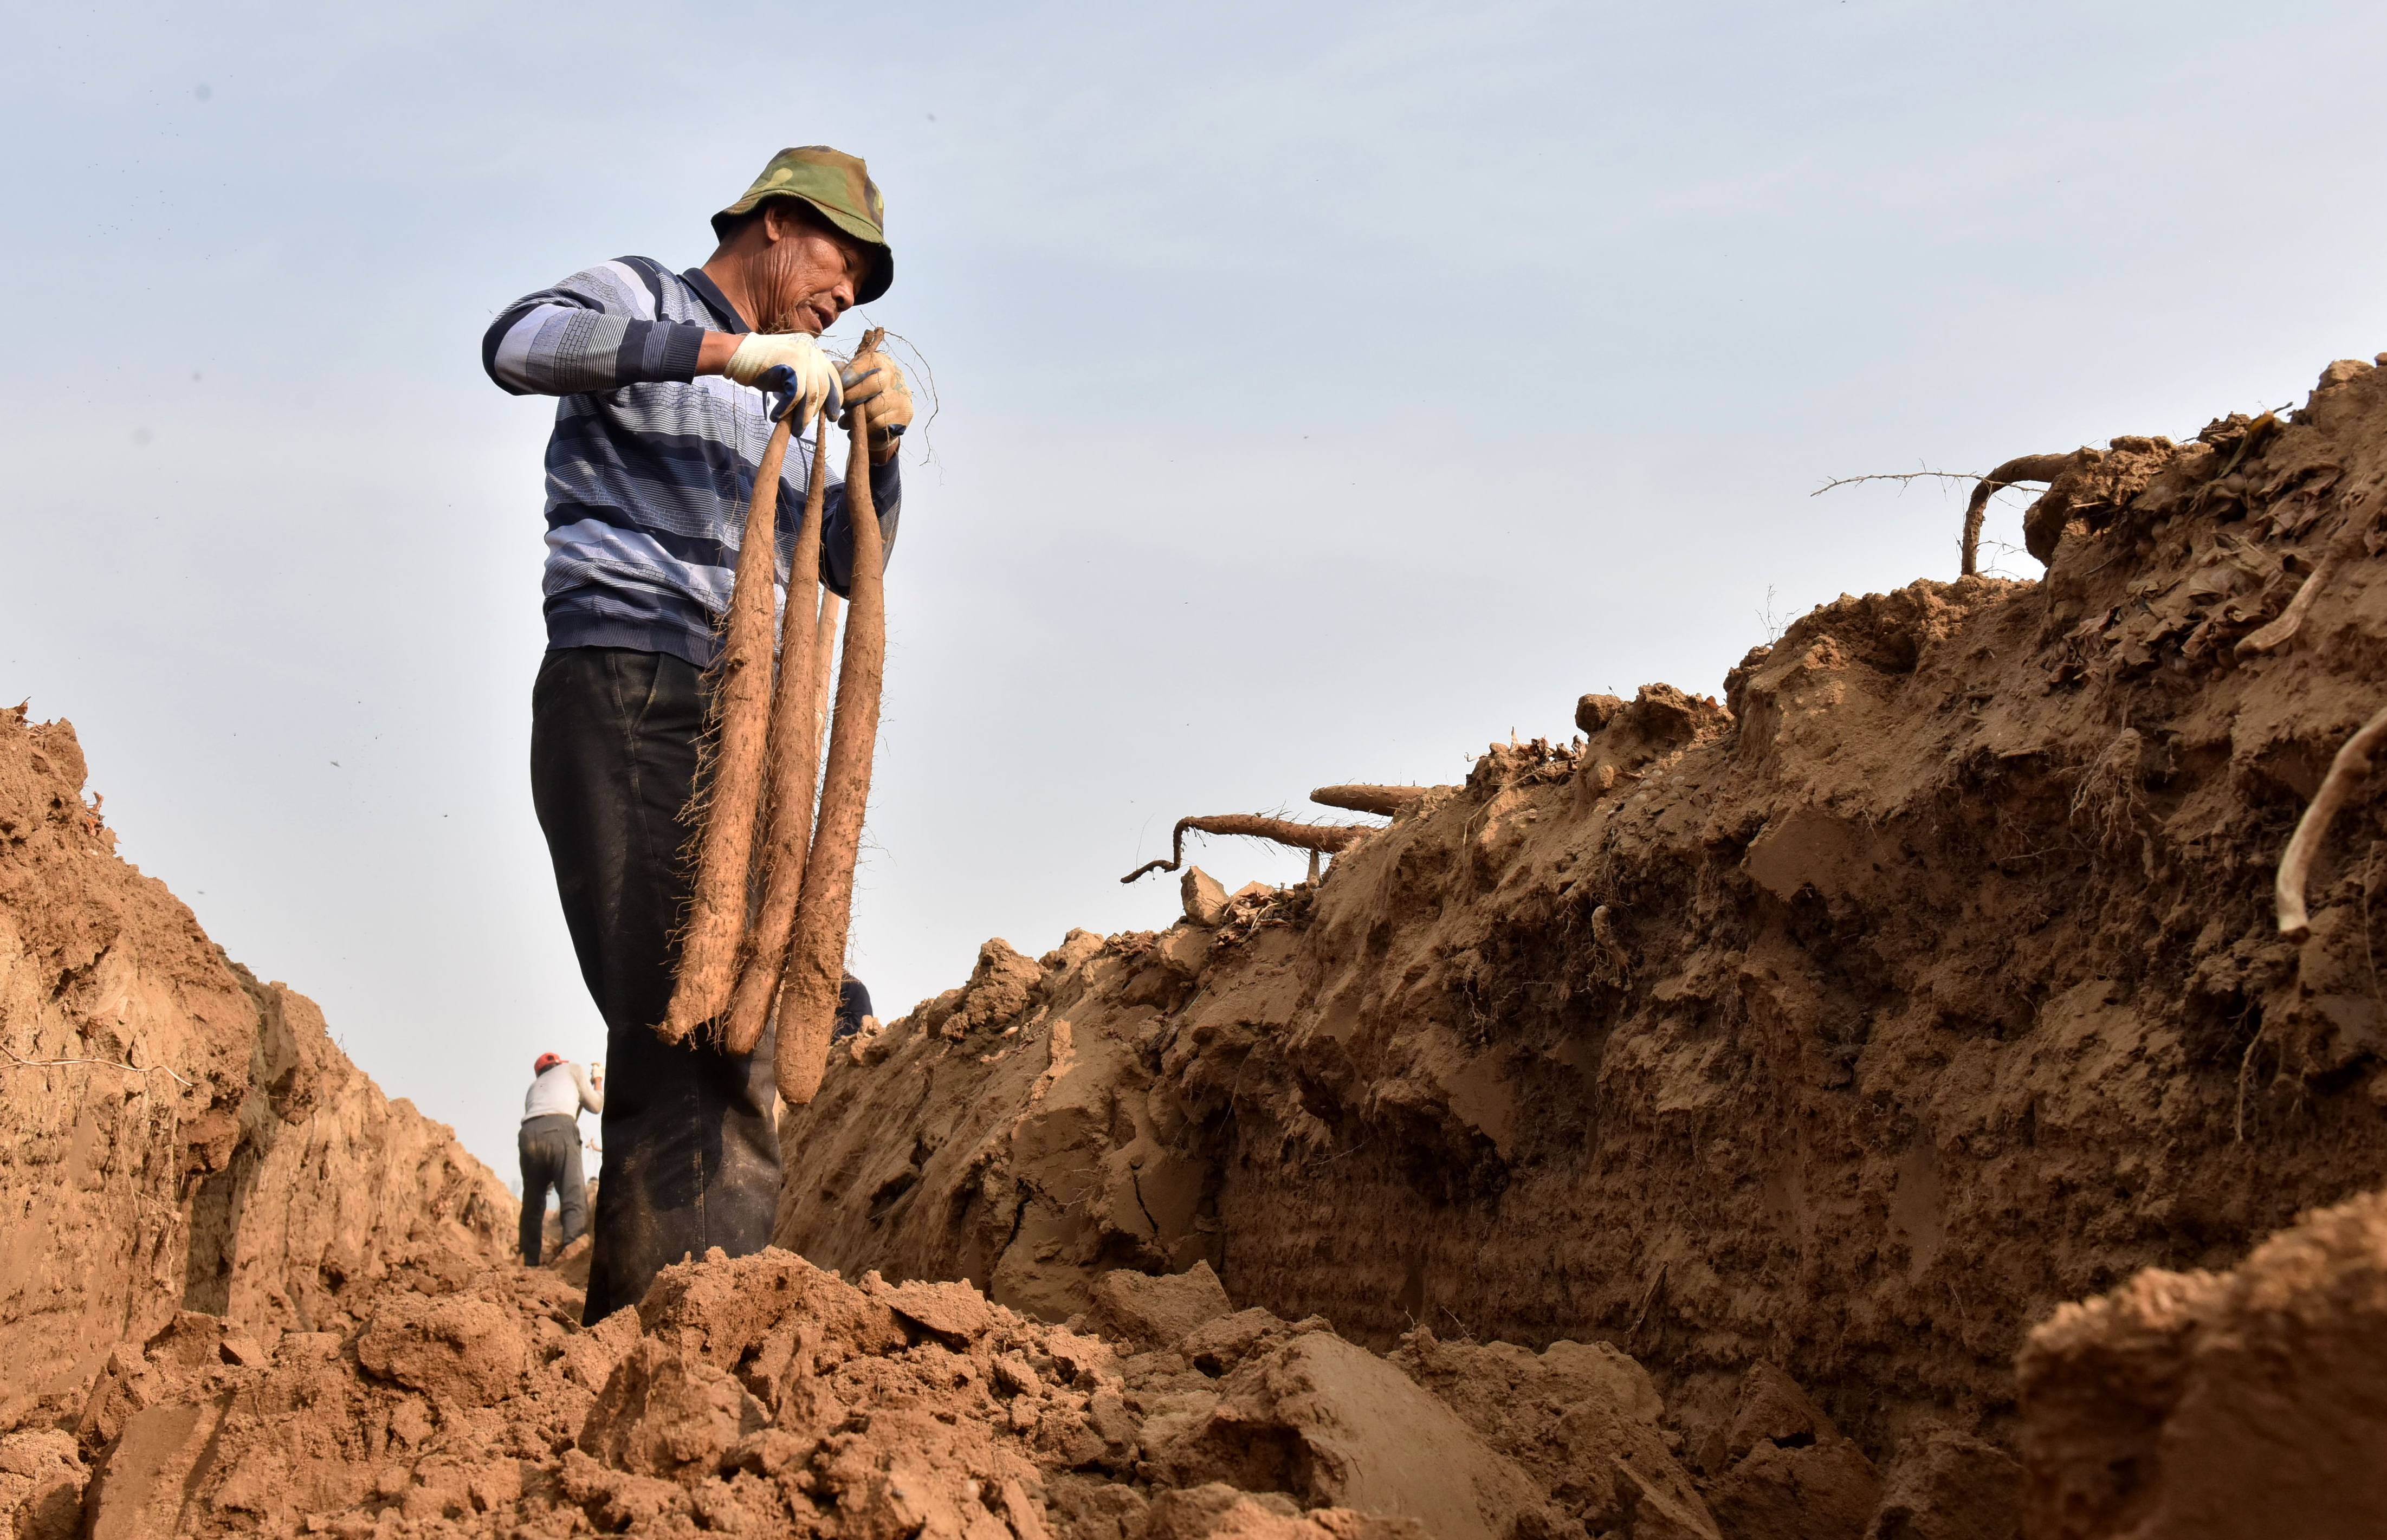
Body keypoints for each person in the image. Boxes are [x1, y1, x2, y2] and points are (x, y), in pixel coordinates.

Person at [481, 146, 915, 1322]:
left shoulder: (805, 398)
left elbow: (837, 562)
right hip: (627, 685)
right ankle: (670, 1353)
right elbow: (517, 344)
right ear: (776, 224)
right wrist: (731, 352)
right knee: (687, 1037)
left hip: (743, 727)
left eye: (870, 285)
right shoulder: (641, 297)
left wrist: (882, 451)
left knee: (745, 1030)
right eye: (842, 263)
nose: (847, 297)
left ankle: (684, 1347)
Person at [518, 1052, 602, 1266]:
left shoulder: (534, 1088)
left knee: (533, 1202)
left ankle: (529, 1260)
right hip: (561, 1129)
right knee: (572, 1194)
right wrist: (598, 1081)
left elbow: (550, 1116)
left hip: (528, 1133)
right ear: (558, 1064)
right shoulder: (572, 1069)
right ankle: (572, 1253)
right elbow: (596, 1106)